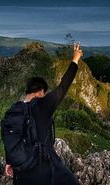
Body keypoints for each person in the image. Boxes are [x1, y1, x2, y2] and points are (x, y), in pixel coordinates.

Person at [5, 42, 83, 185]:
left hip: (22, 173)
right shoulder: (43, 104)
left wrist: (10, 161)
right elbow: (63, 86)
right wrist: (75, 59)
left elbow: (12, 137)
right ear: (41, 91)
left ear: (27, 92)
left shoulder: (13, 111)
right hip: (45, 168)